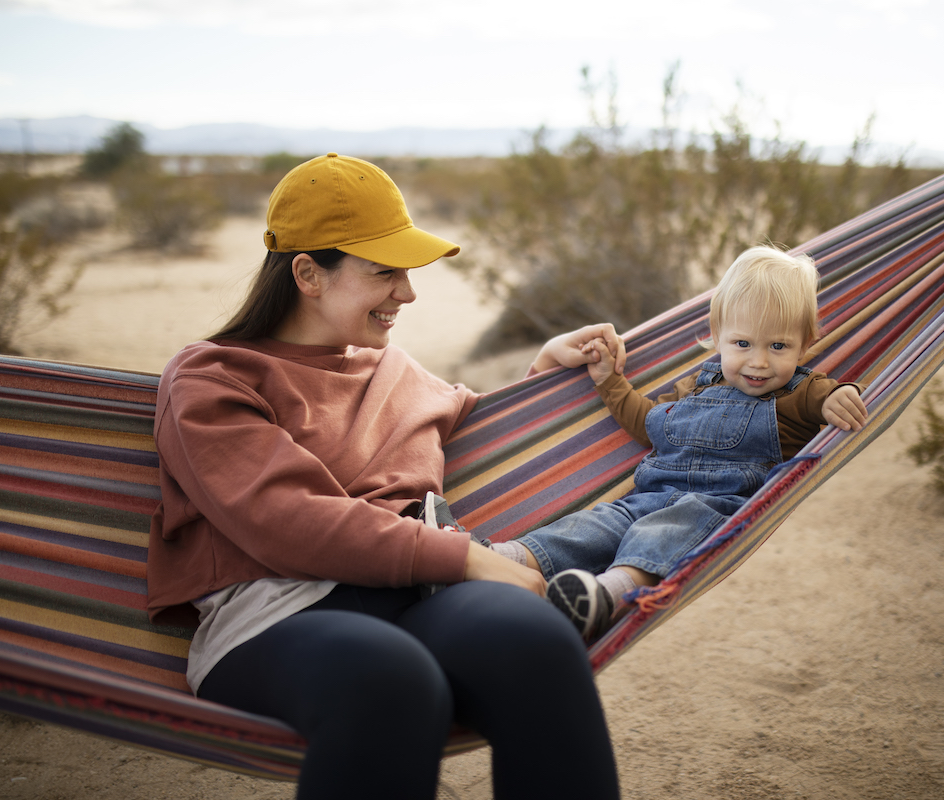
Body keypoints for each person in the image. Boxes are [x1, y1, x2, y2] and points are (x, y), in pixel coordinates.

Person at [147, 153, 623, 800]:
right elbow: (285, 518)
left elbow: (480, 433)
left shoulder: (392, 371)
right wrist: (464, 559)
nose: (407, 292)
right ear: (309, 274)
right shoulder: (213, 379)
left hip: (418, 596)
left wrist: (545, 371)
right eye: (385, 272)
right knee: (390, 681)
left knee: (534, 643)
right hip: (279, 612)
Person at [489, 245, 868, 640]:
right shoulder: (695, 385)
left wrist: (840, 395)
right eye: (743, 344)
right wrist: (608, 380)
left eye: (778, 346)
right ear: (718, 337)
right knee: (590, 526)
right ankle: (501, 559)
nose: (758, 362)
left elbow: (829, 396)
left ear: (803, 345)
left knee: (659, 537)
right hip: (645, 496)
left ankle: (606, 597)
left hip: (712, 506)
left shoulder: (800, 391)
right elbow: (648, 421)